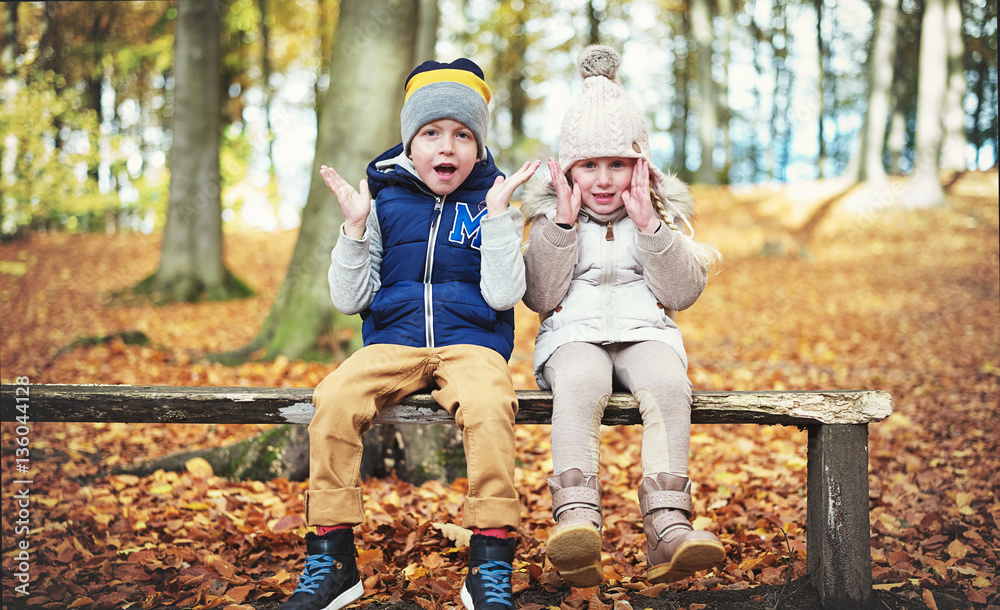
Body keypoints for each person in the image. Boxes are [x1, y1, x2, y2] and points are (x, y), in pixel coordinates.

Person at [281, 58, 540, 610]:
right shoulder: (382, 198)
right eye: (431, 133)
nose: (446, 148)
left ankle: (489, 560)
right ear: (409, 142)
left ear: (479, 145)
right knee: (333, 398)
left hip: (472, 344)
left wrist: (498, 219)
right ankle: (332, 558)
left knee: (492, 405)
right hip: (391, 343)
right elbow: (350, 299)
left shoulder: (494, 198)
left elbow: (501, 296)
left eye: (462, 135)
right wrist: (353, 228)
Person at [521, 46, 725, 588]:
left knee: (667, 383)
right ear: (568, 170)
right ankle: (578, 521)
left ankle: (667, 524)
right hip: (573, 338)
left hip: (646, 334)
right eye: (589, 165)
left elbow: (683, 291)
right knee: (583, 384)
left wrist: (652, 230)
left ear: (641, 167)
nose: (604, 179)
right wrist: (563, 226)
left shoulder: (659, 219)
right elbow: (538, 295)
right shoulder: (550, 219)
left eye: (619, 164)